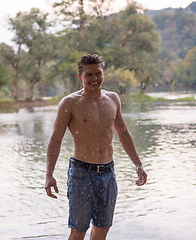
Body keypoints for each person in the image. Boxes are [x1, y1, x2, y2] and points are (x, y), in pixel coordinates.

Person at [45, 53, 147, 240]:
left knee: (101, 231)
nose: (94, 79)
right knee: (78, 231)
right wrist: (49, 174)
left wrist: (138, 164)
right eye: (89, 75)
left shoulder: (113, 99)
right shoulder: (70, 103)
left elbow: (123, 133)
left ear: (103, 73)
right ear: (80, 77)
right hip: (81, 174)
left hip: (108, 173)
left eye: (98, 73)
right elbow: (55, 139)